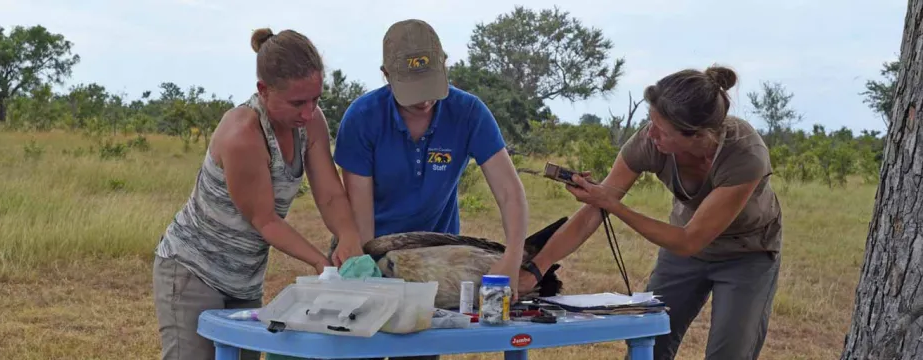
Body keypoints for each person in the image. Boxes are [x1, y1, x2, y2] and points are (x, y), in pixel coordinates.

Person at [518, 66, 782, 360]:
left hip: (745, 253)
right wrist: (536, 269)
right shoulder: (649, 140)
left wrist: (614, 204)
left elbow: (689, 240)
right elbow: (595, 211)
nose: (650, 133)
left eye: (662, 130)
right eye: (650, 120)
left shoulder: (746, 154)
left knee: (730, 353)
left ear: (696, 136)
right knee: (649, 342)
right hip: (682, 250)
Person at [152, 28, 365, 360]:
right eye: (297, 102)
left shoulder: (310, 124)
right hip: (193, 269)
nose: (308, 112)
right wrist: (324, 265)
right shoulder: (243, 134)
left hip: (245, 278)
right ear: (263, 91)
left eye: (316, 99)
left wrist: (349, 236)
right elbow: (265, 221)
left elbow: (330, 196)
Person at [332, 18, 529, 360]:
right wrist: (368, 277)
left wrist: (512, 258)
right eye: (412, 89)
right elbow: (360, 217)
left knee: (419, 351)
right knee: (360, 348)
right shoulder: (362, 118)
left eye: (430, 86)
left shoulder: (469, 113)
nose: (424, 100)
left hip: (432, 262)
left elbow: (510, 193)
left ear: (445, 66)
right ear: (386, 74)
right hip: (370, 253)